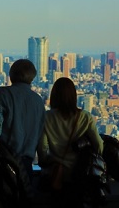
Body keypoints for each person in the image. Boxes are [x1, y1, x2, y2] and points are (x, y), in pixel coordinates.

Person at [0, 59, 46, 207]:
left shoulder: (1, 94)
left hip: (2, 165)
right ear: (32, 77)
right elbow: (41, 137)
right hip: (26, 166)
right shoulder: (38, 101)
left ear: (11, 75)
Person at [37, 77, 104, 208]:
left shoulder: (46, 117)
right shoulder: (85, 116)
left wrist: (45, 162)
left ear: (54, 95)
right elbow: (99, 145)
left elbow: (42, 147)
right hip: (80, 174)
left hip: (56, 175)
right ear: (74, 96)